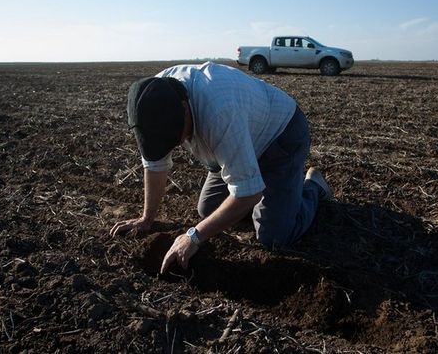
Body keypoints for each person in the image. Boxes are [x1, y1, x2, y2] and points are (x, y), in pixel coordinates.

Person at [110, 62, 332, 273]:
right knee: (208, 210)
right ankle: (268, 190)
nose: (179, 144)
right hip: (237, 142)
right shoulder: (150, 104)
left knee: (273, 236)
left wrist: (194, 236)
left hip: (281, 136)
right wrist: (146, 218)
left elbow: (248, 193)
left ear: (185, 108)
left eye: (179, 137)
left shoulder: (218, 111)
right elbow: (155, 164)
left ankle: (312, 187)